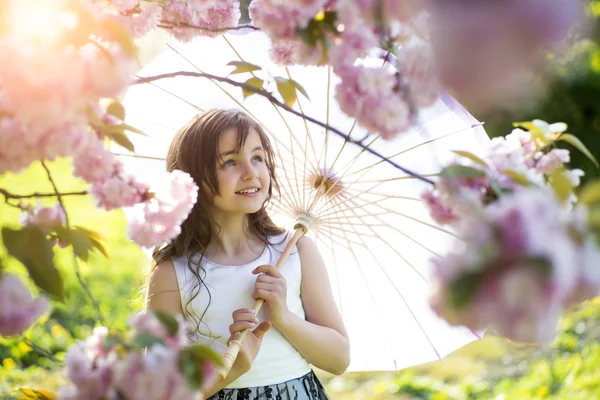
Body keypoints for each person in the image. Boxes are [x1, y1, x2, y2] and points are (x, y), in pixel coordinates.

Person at [146, 109, 350, 399]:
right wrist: (232, 369)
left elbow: (339, 359)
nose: (251, 173)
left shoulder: (296, 252)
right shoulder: (172, 272)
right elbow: (157, 391)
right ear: (193, 179)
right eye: (230, 162)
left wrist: (283, 316)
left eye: (257, 158)